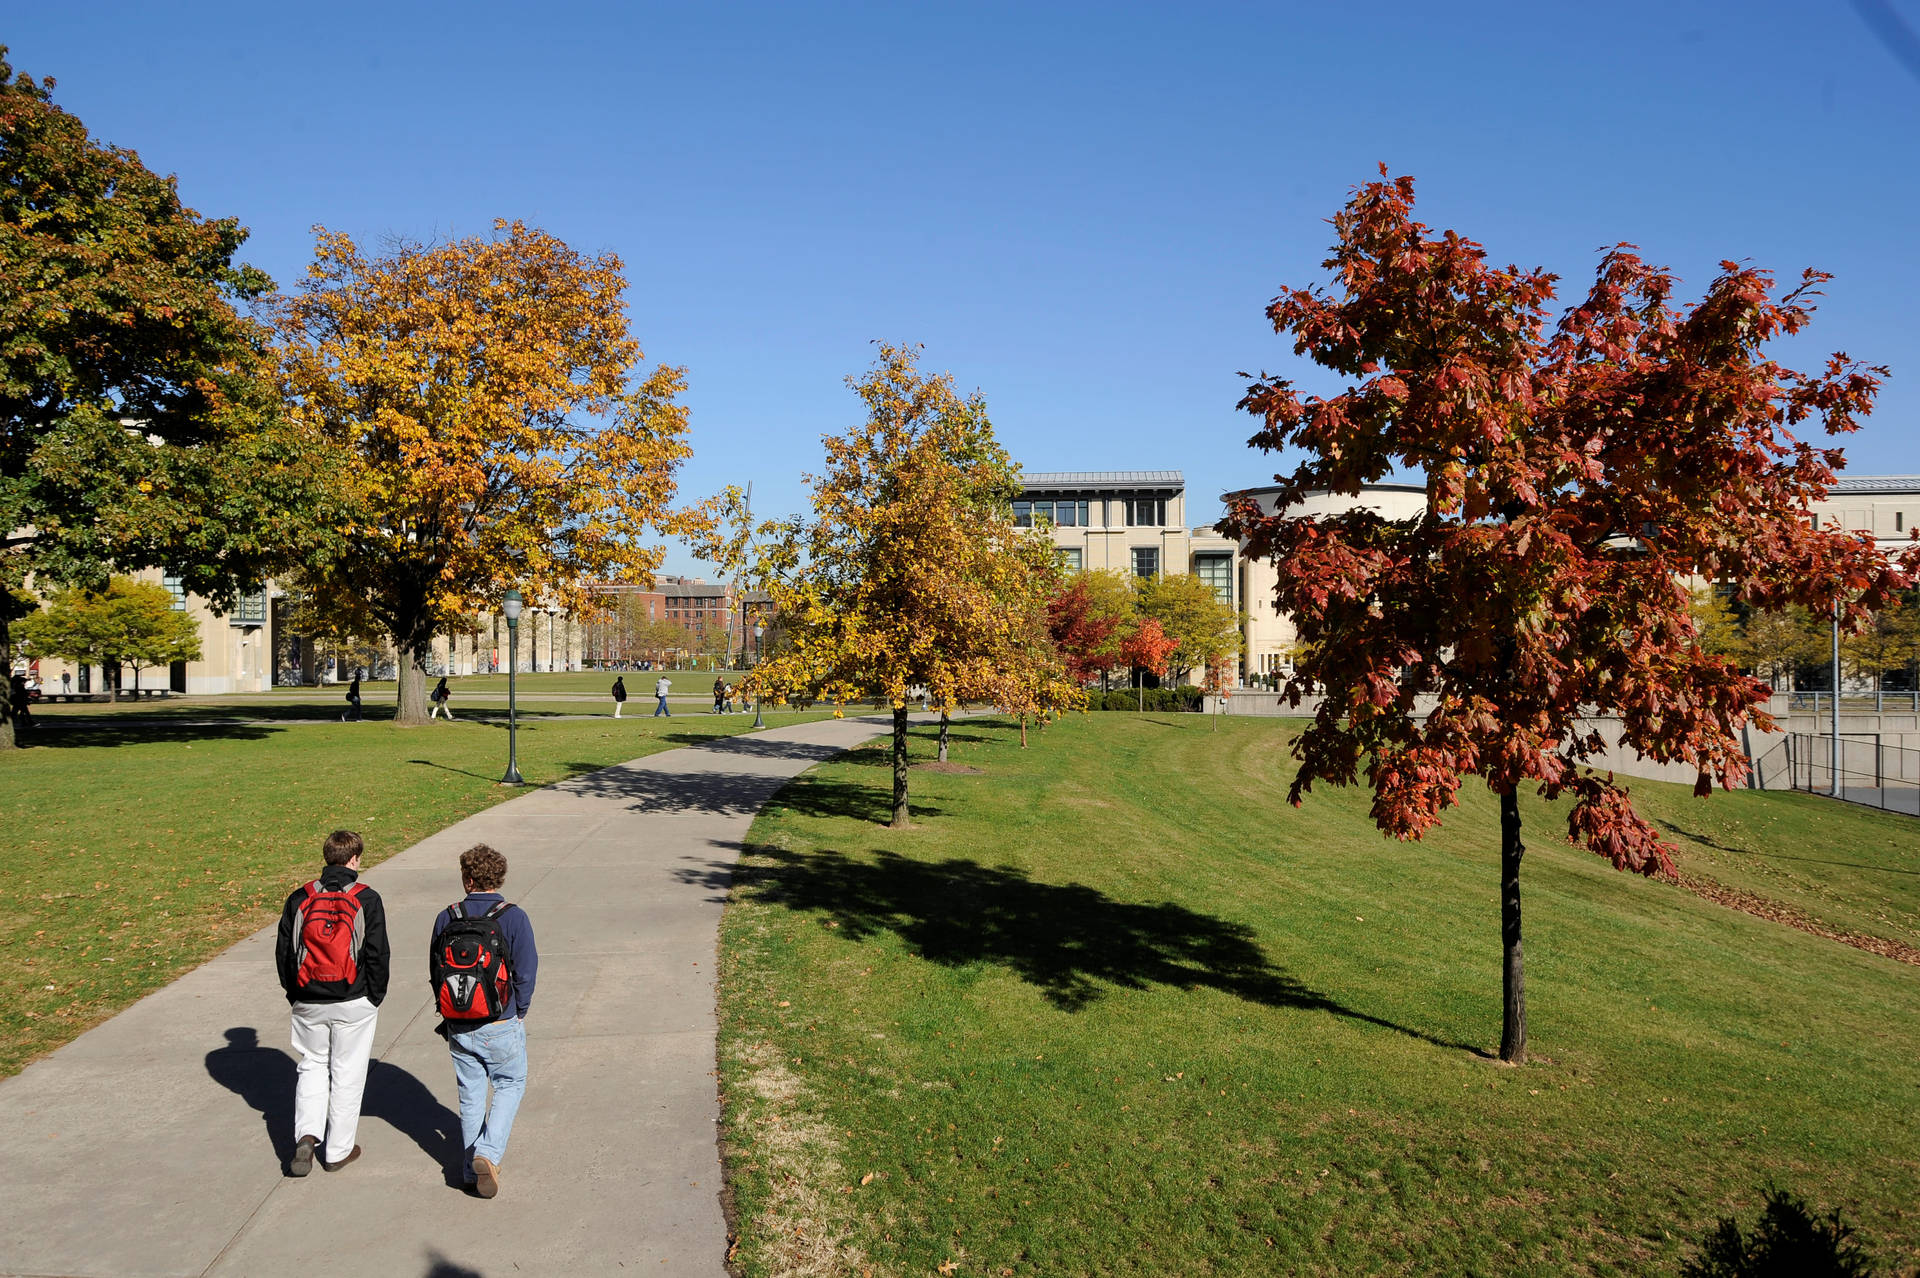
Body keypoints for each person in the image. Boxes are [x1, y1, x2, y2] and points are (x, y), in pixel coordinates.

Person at [275, 829, 390, 1176]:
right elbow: (377, 954)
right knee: (348, 1072)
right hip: (353, 999)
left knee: (311, 1064)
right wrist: (374, 997)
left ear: (327, 858)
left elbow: (284, 952)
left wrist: (294, 992)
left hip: (308, 996)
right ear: (355, 860)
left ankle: (307, 1135)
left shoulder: (300, 897)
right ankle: (338, 1150)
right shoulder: (366, 898)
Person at [431, 844, 538, 1199]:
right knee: (510, 1084)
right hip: (500, 1020)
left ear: (467, 879)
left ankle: (468, 1169)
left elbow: (435, 970)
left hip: (458, 1022)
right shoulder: (513, 916)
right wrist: (519, 1009)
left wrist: (446, 1011)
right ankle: (487, 1155)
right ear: (500, 878)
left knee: (471, 1094)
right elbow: (526, 970)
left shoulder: (447, 916)